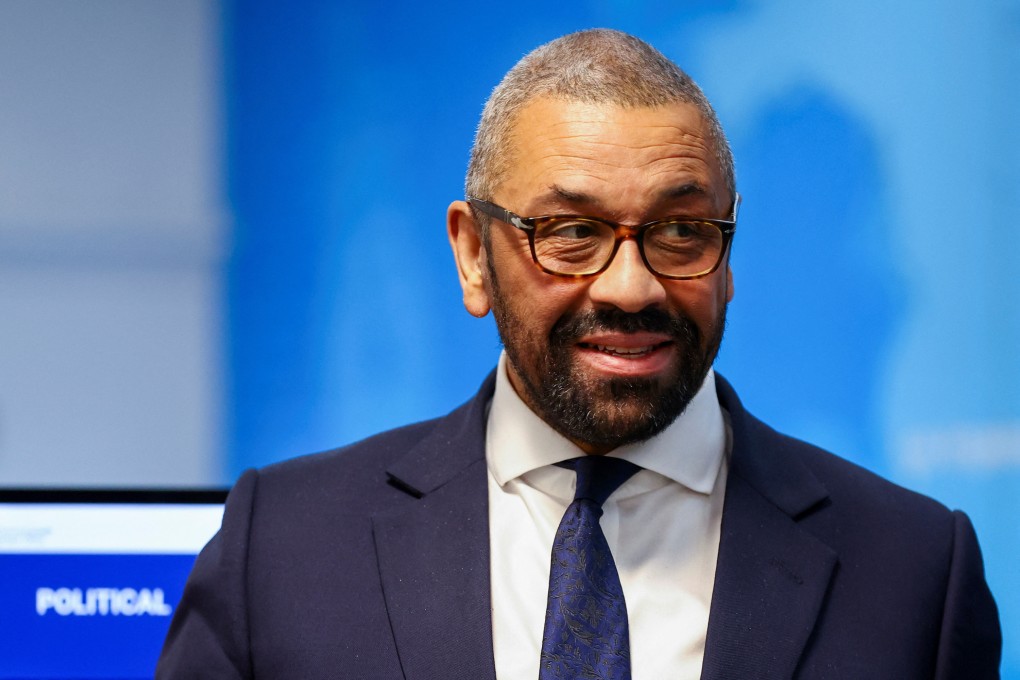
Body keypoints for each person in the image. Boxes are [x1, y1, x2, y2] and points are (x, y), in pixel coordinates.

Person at [157, 29, 1001, 679]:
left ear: (728, 255)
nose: (631, 287)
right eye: (570, 232)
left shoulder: (917, 572)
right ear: (473, 255)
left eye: (681, 231)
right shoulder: (284, 548)